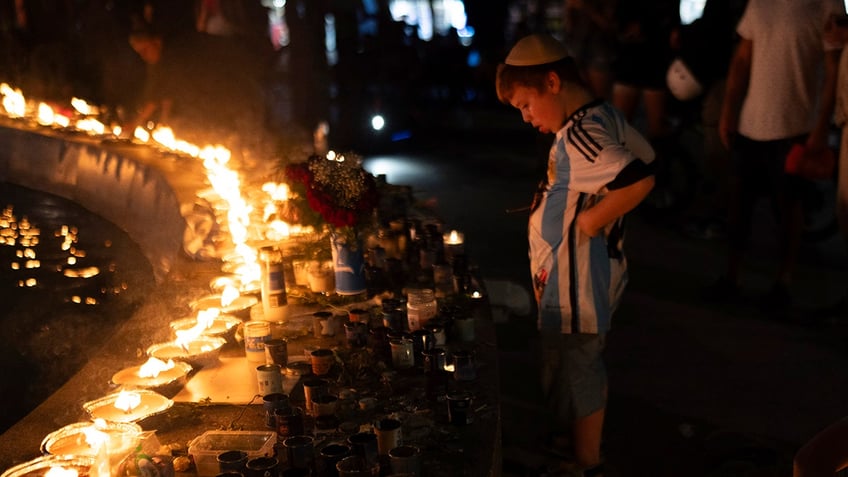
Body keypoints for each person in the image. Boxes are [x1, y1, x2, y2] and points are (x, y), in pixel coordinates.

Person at [495, 33, 656, 476]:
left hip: (580, 280)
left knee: (579, 364)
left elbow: (639, 179)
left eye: (526, 105)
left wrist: (589, 221)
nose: (527, 118)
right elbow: (646, 153)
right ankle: (574, 438)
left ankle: (587, 462)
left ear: (551, 82)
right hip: (575, 277)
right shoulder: (600, 117)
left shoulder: (581, 134)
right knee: (566, 361)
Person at [711, 0, 843, 314]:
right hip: (751, 122)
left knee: (789, 209)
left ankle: (783, 283)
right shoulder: (760, 2)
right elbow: (743, 59)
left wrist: (822, 125)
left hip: (796, 126)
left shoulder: (826, 4)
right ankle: (732, 276)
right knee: (739, 206)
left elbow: (834, 69)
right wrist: (729, 110)